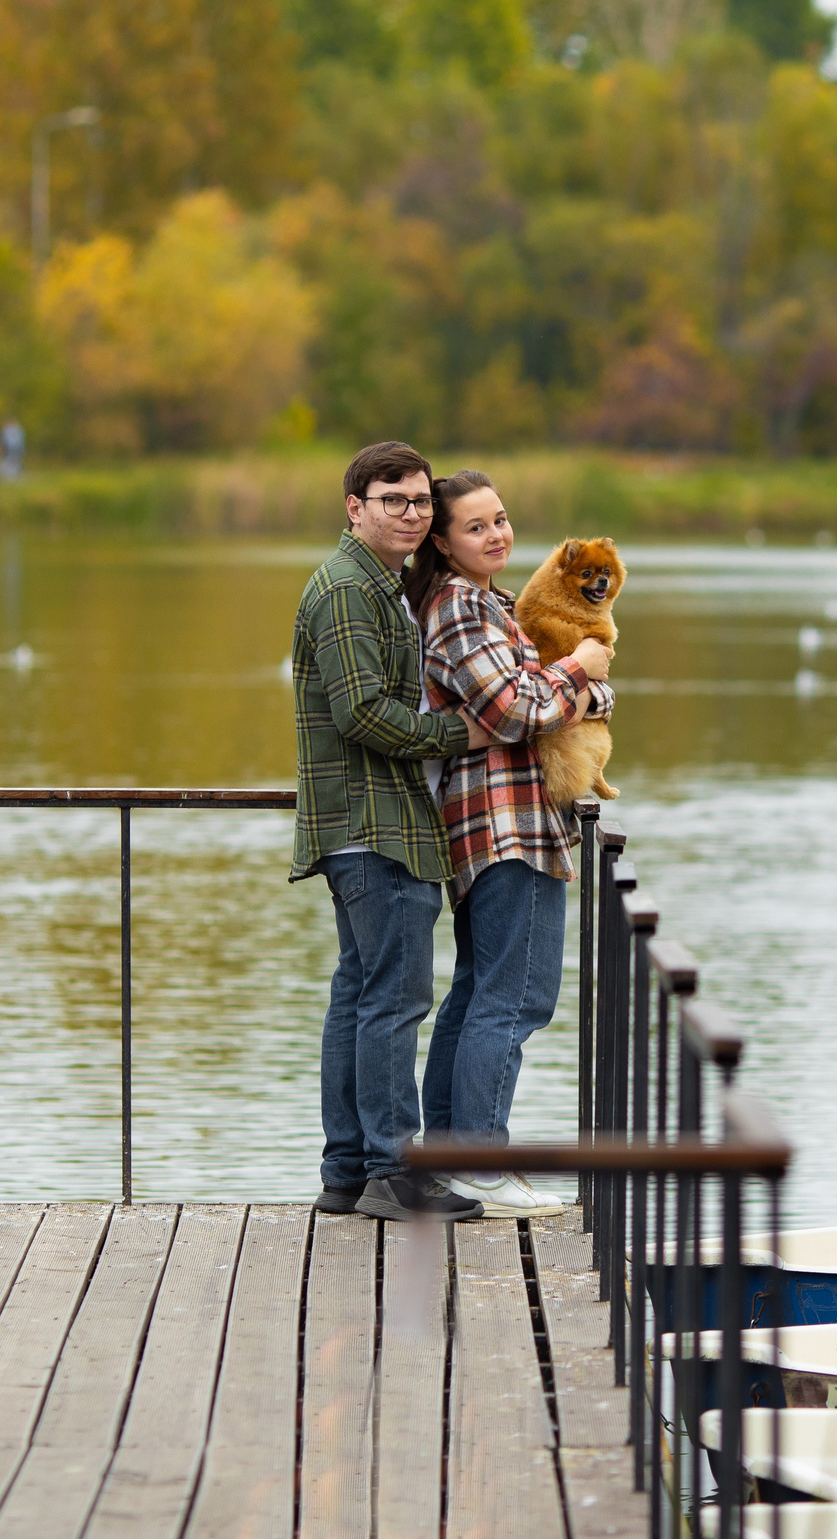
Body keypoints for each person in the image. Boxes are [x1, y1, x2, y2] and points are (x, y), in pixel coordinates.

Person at [291, 442, 498, 1222]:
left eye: (419, 501)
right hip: (373, 826)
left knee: (361, 995)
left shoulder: (380, 586)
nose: (411, 513)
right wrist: (459, 738)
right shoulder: (348, 589)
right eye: (393, 499)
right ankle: (393, 1171)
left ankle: (347, 1171)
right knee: (394, 1002)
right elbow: (362, 713)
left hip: (375, 824)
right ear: (356, 507)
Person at [406, 471, 613, 1217]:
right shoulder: (461, 607)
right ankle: (484, 1166)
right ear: (443, 540)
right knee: (515, 996)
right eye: (476, 526)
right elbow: (517, 707)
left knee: (477, 994)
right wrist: (579, 672)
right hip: (505, 822)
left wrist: (582, 686)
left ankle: (451, 1159)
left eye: (501, 519)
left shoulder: (490, 601)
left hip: (505, 818)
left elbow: (572, 697)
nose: (497, 535)